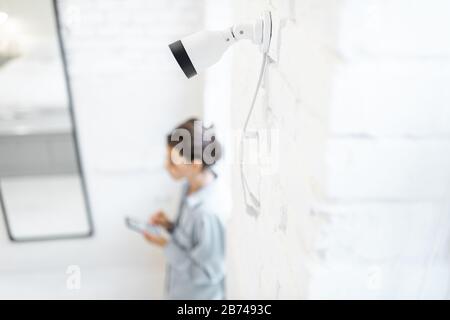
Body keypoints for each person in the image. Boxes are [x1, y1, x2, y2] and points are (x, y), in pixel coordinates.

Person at [144, 118, 226, 299]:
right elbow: (192, 241)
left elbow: (207, 274)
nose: (166, 166)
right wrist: (170, 226)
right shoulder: (188, 186)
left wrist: (166, 245)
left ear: (195, 165)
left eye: (173, 162)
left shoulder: (208, 213)